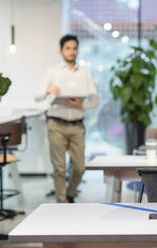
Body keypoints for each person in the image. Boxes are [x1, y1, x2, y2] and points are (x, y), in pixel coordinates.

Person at [35, 34, 99, 203]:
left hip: (77, 126)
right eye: (68, 48)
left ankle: (70, 194)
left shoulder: (85, 74)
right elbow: (37, 96)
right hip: (56, 124)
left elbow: (95, 101)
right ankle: (62, 203)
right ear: (61, 51)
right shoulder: (52, 72)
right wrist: (49, 90)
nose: (72, 52)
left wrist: (80, 105)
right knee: (60, 168)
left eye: (74, 48)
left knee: (79, 167)